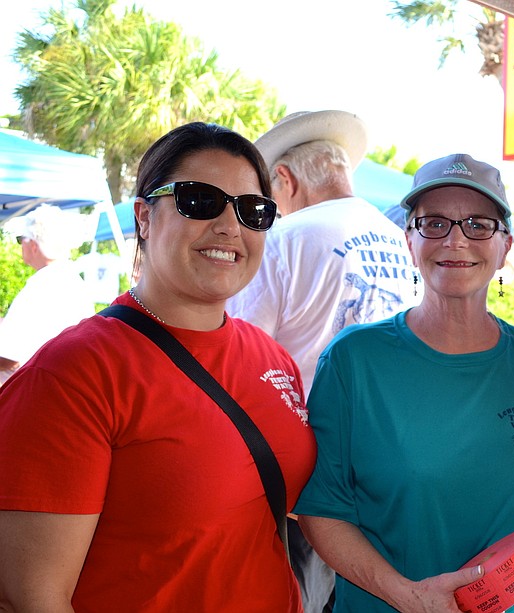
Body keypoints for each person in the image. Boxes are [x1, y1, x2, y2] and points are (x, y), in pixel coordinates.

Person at [0, 122, 317, 612]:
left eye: (253, 211)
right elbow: (32, 596)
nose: (230, 227)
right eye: (200, 200)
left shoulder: (271, 357)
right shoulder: (76, 372)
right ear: (144, 217)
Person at [294, 153, 514, 613]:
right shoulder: (354, 360)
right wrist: (408, 596)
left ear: (505, 246)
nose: (456, 240)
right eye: (435, 224)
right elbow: (321, 510)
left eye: (478, 224)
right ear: (409, 241)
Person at [228, 109, 418, 613]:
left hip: (301, 487)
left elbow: (238, 355)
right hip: (388, 472)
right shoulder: (402, 242)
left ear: (285, 180)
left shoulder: (284, 240)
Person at [0, 204, 93, 385]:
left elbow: (9, 356)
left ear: (34, 245)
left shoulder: (42, 284)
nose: (21, 246)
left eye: (21, 239)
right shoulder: (73, 281)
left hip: (30, 395)